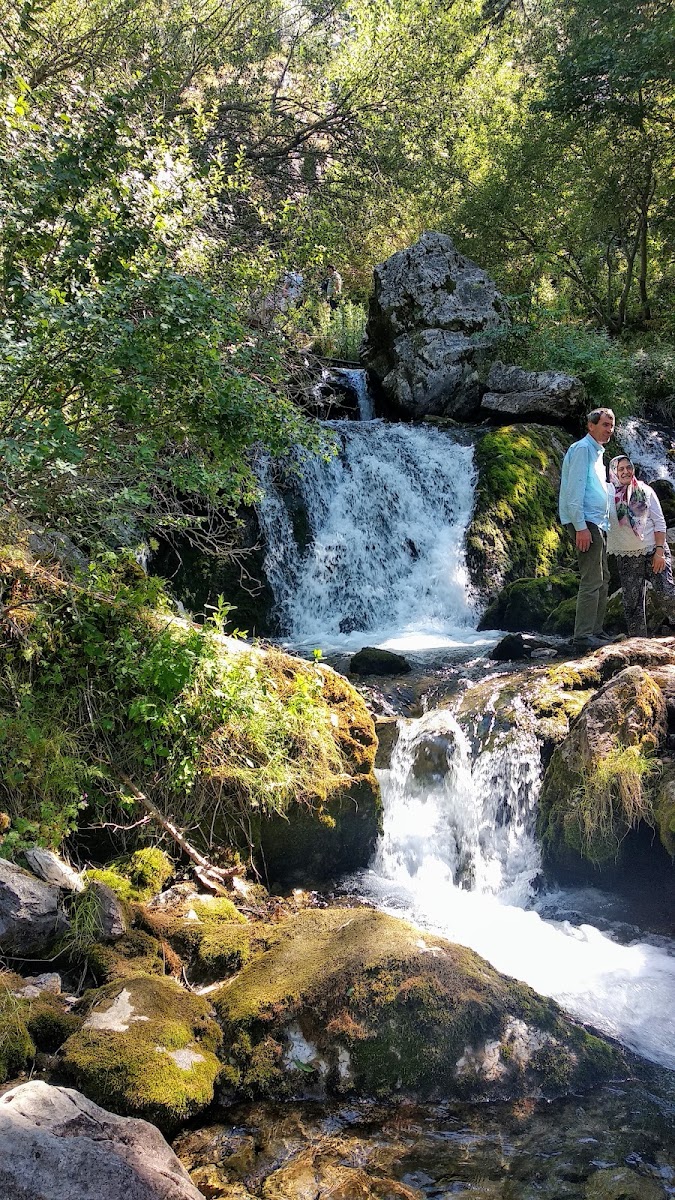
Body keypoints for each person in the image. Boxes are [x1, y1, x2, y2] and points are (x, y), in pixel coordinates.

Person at [558, 407, 616, 650]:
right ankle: (582, 637)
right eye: (605, 425)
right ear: (591, 426)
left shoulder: (597, 452)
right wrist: (580, 527)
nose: (609, 430)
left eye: (611, 426)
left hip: (597, 522)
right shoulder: (582, 449)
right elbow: (574, 491)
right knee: (592, 578)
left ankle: (596, 631)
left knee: (603, 577)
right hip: (586, 522)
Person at [607, 455, 675, 637]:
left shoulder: (645, 491)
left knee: (667, 594)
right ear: (613, 472)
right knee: (632, 604)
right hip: (626, 556)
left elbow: (660, 523)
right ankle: (638, 643)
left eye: (628, 467)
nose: (625, 472)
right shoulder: (607, 494)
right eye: (621, 469)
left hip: (653, 551)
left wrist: (659, 552)